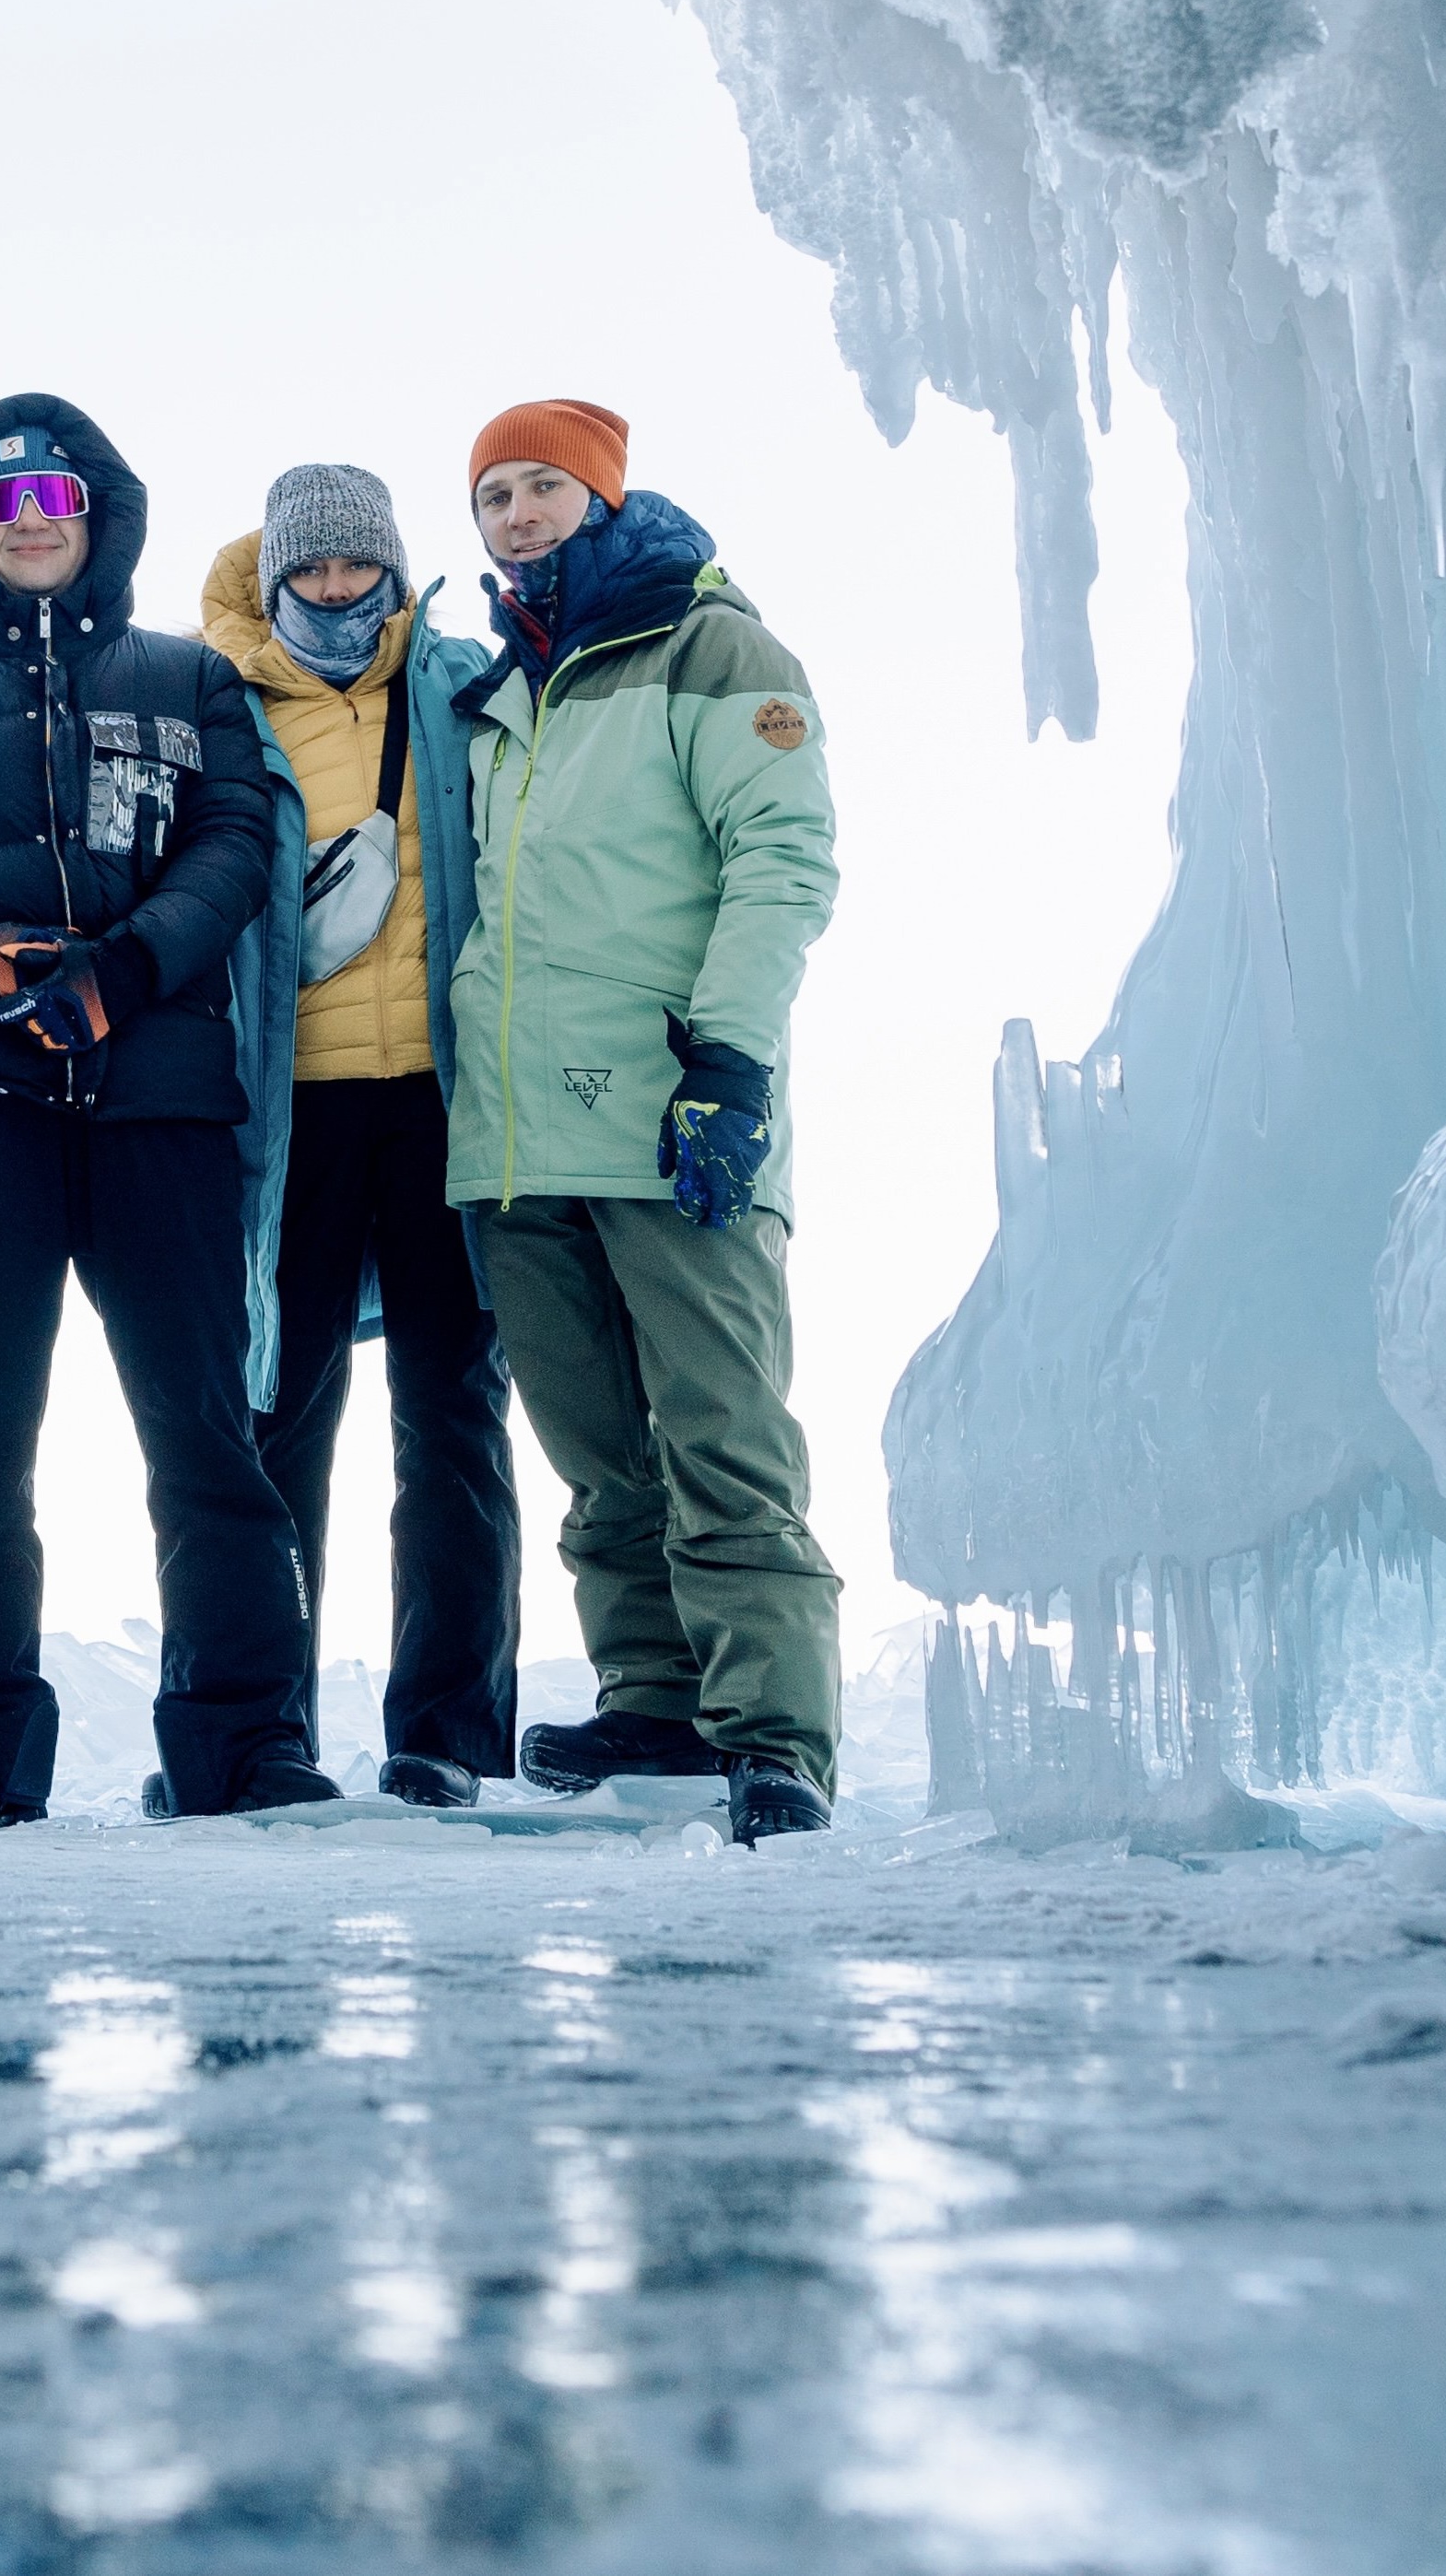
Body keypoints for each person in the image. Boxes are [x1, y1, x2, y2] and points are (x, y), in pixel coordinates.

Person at [0, 398, 337, 1824]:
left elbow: (235, 842)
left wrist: (131, 963)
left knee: (204, 1428)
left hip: (161, 1094)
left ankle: (245, 1743)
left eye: (58, 502)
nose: (35, 525)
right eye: (6, 507)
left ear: (100, 517)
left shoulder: (189, 679)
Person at [434, 396, 844, 1844]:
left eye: (545, 486)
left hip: (677, 1120)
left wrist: (729, 1065)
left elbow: (784, 856)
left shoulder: (713, 646)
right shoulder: (497, 691)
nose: (520, 515)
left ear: (604, 496)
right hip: (517, 1137)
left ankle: (776, 1731)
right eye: (495, 497)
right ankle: (659, 1699)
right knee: (600, 1454)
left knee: (722, 1436)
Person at [205, 462, 521, 1806]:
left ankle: (448, 1731)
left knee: (453, 1413)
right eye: (312, 570)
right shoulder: (222, 704)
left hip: (448, 1101)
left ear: (395, 566)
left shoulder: (457, 685)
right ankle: (252, 1723)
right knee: (271, 1412)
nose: (337, 590)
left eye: (357, 566)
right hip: (296, 1110)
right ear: (273, 577)